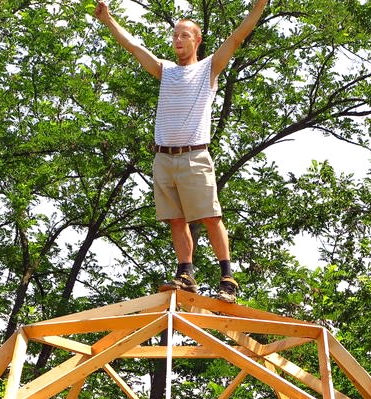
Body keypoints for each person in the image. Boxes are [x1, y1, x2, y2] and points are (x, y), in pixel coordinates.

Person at [94, 0, 269, 303]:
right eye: (175, 35)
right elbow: (134, 47)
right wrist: (108, 20)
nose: (177, 40)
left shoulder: (208, 68)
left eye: (184, 35)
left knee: (211, 216)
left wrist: (257, 8)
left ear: (197, 40)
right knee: (176, 219)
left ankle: (227, 277)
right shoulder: (166, 71)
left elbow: (237, 37)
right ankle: (186, 274)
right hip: (163, 157)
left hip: (194, 155)